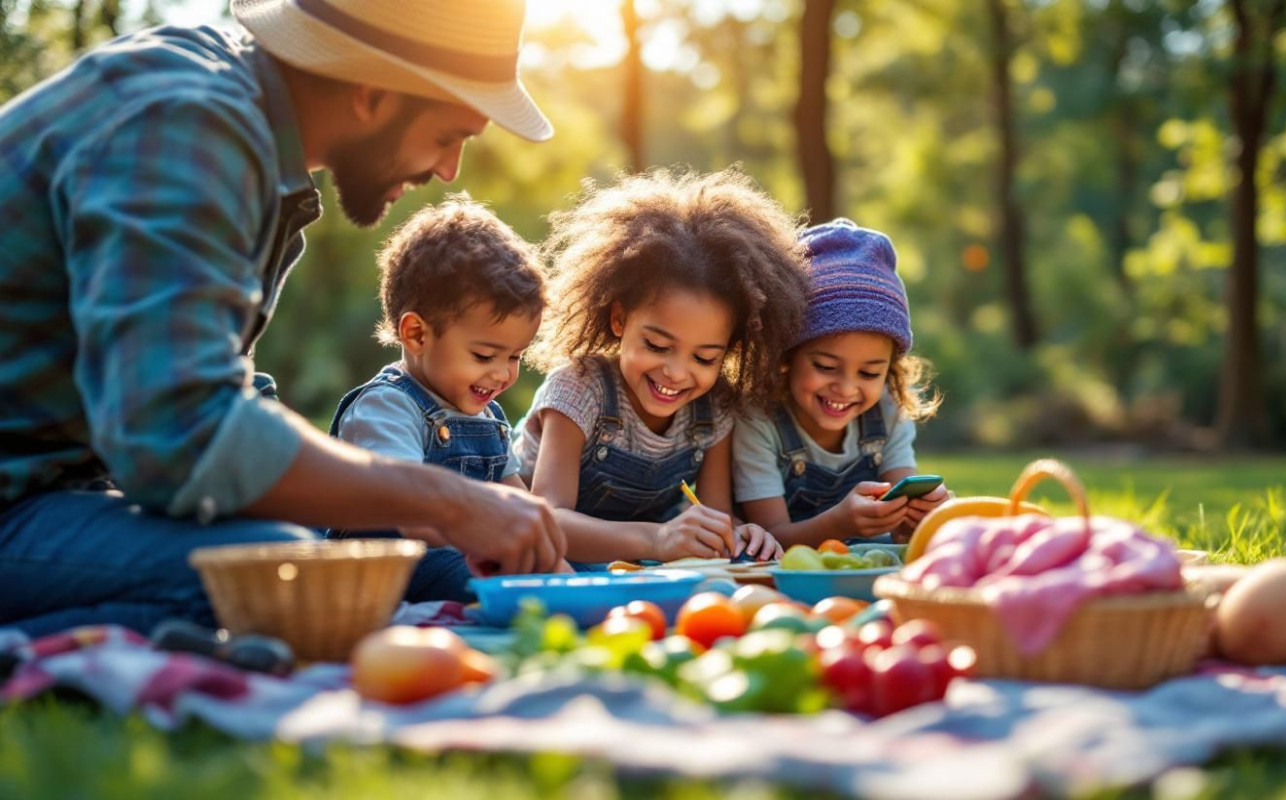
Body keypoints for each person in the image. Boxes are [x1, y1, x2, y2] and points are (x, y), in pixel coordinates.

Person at [0, 0, 567, 638]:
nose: (447, 170)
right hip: (20, 497)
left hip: (55, 489)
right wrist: (448, 499)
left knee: (300, 562)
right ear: (372, 91)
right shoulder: (186, 129)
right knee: (277, 577)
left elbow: (212, 405)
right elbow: (180, 433)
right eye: (447, 136)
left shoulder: (238, 133)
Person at [512, 168, 809, 565]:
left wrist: (741, 535)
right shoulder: (578, 389)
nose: (676, 372)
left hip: (631, 572)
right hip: (551, 564)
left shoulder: (714, 407)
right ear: (619, 319)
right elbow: (548, 521)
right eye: (657, 345)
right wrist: (656, 539)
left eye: (705, 358)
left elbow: (710, 515)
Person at [329, 197, 547, 603]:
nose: (502, 374)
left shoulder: (488, 416)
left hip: (466, 559)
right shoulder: (386, 407)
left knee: (558, 567)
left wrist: (557, 565)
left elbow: (524, 510)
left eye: (515, 357)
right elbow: (410, 512)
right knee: (477, 577)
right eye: (484, 356)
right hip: (389, 571)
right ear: (416, 335)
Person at [731, 218, 954, 548]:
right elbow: (772, 535)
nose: (847, 388)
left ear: (890, 370)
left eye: (869, 373)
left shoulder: (888, 411)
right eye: (825, 366)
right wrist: (836, 523)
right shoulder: (758, 421)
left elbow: (905, 499)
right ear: (787, 355)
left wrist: (923, 514)